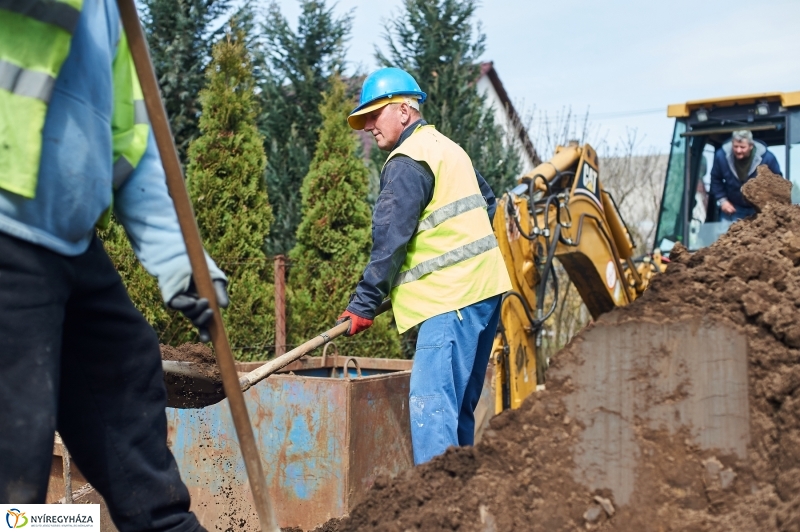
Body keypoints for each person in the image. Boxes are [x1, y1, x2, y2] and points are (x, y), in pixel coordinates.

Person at [0, 2, 227, 531]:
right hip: (7, 226)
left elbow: (133, 147)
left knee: (126, 379)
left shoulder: (112, 15)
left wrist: (178, 258)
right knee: (16, 462)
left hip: (70, 243)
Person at [337, 67, 512, 465]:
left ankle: (437, 512)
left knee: (431, 407)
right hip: (484, 293)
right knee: (455, 411)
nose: (366, 126)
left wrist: (364, 303)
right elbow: (486, 201)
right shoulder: (447, 149)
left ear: (403, 110)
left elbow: (390, 241)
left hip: (450, 301)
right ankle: (459, 502)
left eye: (373, 114)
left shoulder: (407, 160)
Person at [710, 129, 783, 222]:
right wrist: (723, 201)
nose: (738, 150)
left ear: (751, 146)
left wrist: (769, 204)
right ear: (732, 143)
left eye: (742, 147)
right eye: (735, 146)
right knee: (725, 235)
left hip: (759, 209)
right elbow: (715, 178)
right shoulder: (721, 156)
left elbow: (777, 182)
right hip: (733, 208)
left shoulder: (767, 158)